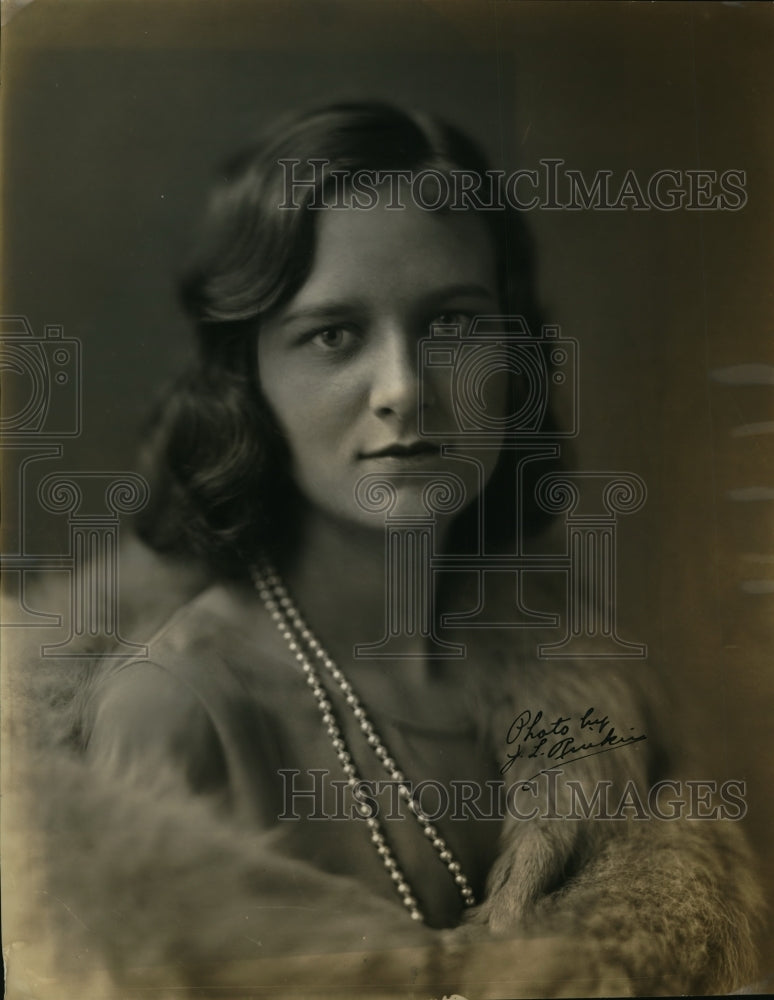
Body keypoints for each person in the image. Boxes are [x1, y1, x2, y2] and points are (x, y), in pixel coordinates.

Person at [9, 102, 763, 998]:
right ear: (246, 379)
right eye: (334, 334)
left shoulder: (589, 698)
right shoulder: (181, 713)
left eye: (452, 325)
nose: (404, 389)